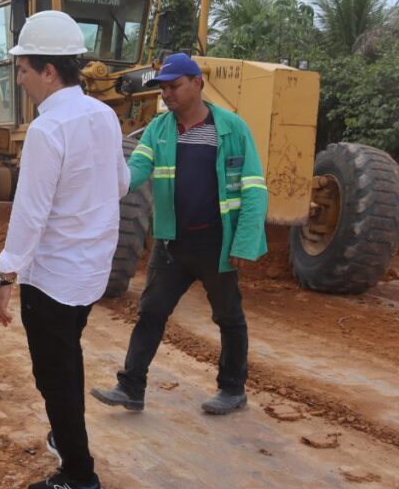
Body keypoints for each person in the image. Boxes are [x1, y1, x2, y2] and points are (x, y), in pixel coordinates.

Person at [0, 10, 129, 489]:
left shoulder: (48, 132)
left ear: (49, 70)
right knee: (66, 358)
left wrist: (5, 277)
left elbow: (29, 215)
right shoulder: (103, 116)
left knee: (55, 373)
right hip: (90, 270)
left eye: (23, 68)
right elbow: (120, 184)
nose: (20, 77)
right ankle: (65, 434)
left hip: (53, 278)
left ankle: (79, 475)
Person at [91, 52, 267, 415]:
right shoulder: (159, 129)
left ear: (197, 83)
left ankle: (233, 390)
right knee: (151, 312)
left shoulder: (232, 129)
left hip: (217, 242)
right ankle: (131, 387)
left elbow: (253, 187)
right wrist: (105, 184)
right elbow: (136, 169)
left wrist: (245, 242)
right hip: (172, 243)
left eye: (174, 86)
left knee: (228, 317)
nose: (167, 94)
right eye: (163, 88)